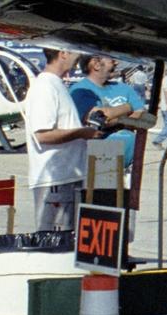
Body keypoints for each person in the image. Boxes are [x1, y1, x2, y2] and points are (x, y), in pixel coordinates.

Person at [24, 47, 109, 231]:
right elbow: (42, 134)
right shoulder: (45, 86)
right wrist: (81, 133)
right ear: (63, 53)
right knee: (56, 243)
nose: (78, 58)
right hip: (55, 180)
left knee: (68, 240)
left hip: (68, 178)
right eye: (75, 53)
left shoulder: (56, 84)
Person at [68, 53, 149, 175]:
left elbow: (145, 118)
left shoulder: (123, 88)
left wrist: (116, 117)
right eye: (112, 60)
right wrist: (129, 107)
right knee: (105, 193)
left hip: (130, 166)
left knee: (127, 194)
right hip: (102, 162)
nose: (116, 63)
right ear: (96, 65)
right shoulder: (81, 90)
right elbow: (100, 120)